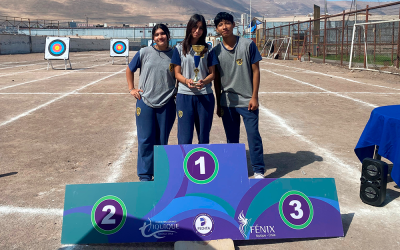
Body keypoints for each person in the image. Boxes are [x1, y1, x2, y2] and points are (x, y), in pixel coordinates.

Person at [213, 12, 265, 179]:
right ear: (217, 29)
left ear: (234, 25)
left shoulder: (248, 44)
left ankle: (258, 170)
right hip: (227, 102)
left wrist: (254, 96)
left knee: (253, 136)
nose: (224, 27)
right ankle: (235, 169)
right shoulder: (215, 51)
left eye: (227, 23)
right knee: (232, 139)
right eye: (220, 25)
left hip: (247, 100)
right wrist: (218, 103)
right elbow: (216, 80)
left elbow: (256, 71)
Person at [126, 24, 176, 181]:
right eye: (156, 34)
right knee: (145, 139)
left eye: (162, 34)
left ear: (168, 35)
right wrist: (131, 89)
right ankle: (145, 175)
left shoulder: (176, 54)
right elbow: (129, 69)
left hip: (167, 102)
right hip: (145, 102)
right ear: (153, 37)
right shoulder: (144, 52)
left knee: (161, 141)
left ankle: (160, 173)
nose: (160, 37)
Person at [171, 14, 219, 145]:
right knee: (184, 137)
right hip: (184, 96)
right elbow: (177, 73)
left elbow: (212, 74)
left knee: (203, 137)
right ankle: (185, 164)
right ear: (189, 27)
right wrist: (187, 81)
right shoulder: (179, 48)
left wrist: (204, 81)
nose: (197, 31)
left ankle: (202, 164)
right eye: (194, 27)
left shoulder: (208, 49)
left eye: (201, 28)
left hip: (205, 96)